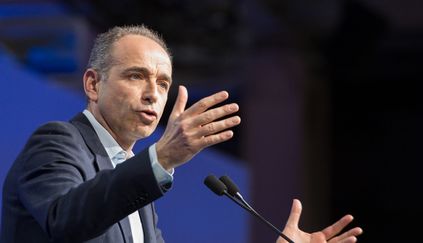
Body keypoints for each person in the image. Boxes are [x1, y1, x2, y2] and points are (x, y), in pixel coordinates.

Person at [1, 25, 361, 243]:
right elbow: (65, 222)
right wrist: (161, 157)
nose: (153, 93)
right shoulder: (57, 142)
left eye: (163, 83)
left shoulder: (134, 179)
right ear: (93, 84)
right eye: (136, 76)